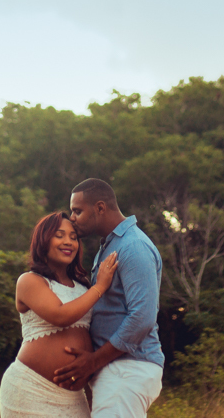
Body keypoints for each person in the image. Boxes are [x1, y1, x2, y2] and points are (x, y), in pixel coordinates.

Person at [55, 178, 164, 418]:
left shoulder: (133, 246)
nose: (72, 218)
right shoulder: (110, 246)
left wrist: (93, 361)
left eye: (78, 211)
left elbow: (143, 318)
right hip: (117, 370)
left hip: (128, 369)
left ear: (100, 208)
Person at [0, 211, 120, 418]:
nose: (68, 242)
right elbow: (60, 315)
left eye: (73, 237)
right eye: (59, 235)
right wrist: (100, 287)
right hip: (31, 389)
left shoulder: (83, 286)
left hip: (74, 398)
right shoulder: (29, 281)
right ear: (43, 240)